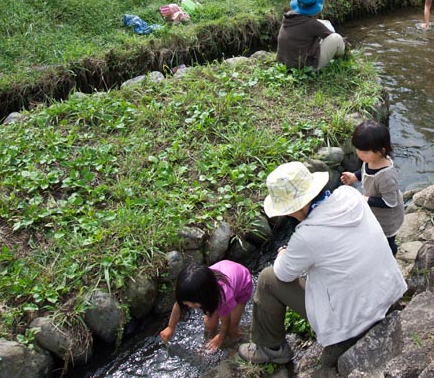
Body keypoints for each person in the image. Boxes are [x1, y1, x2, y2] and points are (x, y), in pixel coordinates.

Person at [238, 162, 407, 367]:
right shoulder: (349, 195)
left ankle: (271, 349)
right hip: (389, 293)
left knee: (267, 278)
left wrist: (283, 253)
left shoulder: (307, 236)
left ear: (297, 207)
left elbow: (282, 274)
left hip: (352, 323)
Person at [340, 120, 404, 255]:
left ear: (382, 150)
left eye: (365, 152)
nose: (360, 154)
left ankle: (391, 256)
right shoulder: (371, 161)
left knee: (387, 242)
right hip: (375, 213)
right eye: (358, 150)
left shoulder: (386, 176)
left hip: (387, 218)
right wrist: (354, 177)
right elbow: (365, 172)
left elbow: (390, 202)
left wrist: (365, 199)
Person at [160, 260, 253, 352]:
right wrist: (171, 327)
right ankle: (211, 342)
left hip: (243, 285)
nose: (191, 306)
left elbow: (226, 321)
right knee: (209, 325)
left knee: (231, 329)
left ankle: (239, 344)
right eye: (187, 303)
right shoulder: (191, 289)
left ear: (206, 297)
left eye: (195, 303)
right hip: (226, 271)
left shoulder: (223, 298)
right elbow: (178, 306)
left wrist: (220, 337)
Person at [276, 0, 346, 70]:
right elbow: (329, 35)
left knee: (325, 23)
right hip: (304, 67)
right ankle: (340, 55)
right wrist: (344, 42)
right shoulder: (312, 24)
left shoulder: (288, 17)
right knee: (336, 38)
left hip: (284, 63)